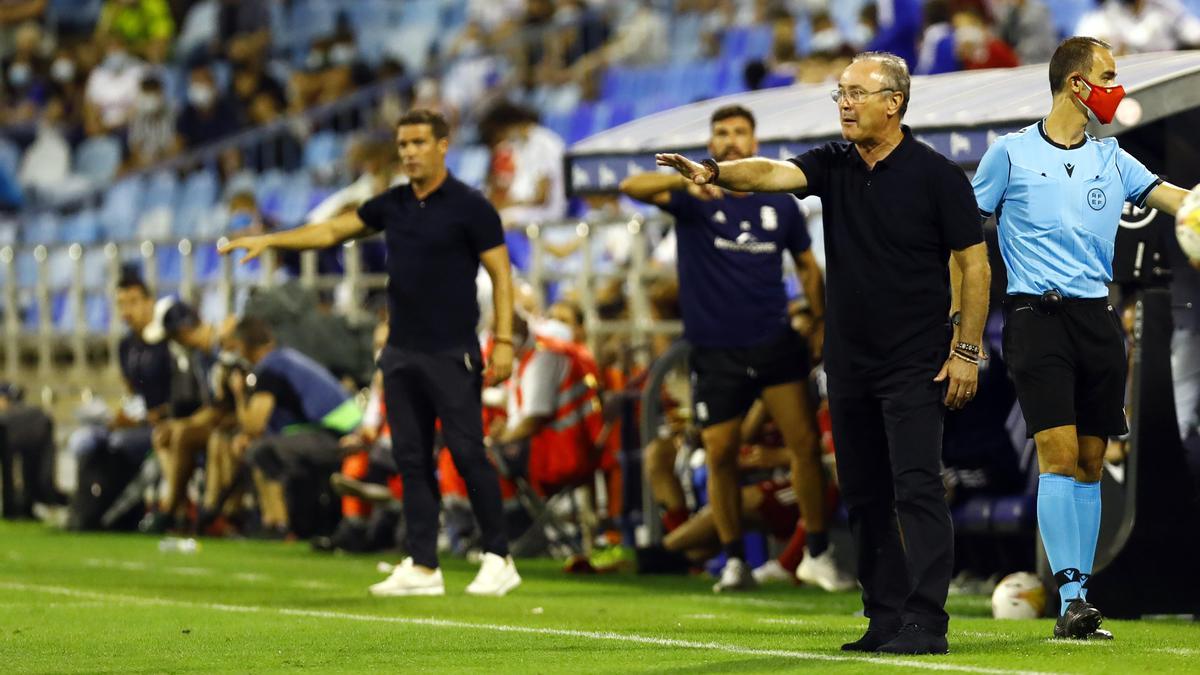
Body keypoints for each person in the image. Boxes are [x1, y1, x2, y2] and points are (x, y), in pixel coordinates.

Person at [656, 52, 991, 655]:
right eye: (839, 93)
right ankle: (884, 616)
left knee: (916, 487)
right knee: (862, 493)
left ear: (894, 102)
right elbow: (770, 174)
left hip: (915, 359)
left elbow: (974, 265)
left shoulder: (938, 176)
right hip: (849, 361)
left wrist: (966, 349)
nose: (844, 103)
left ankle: (928, 622)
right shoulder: (834, 163)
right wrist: (715, 173)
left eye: (856, 93)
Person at [220, 109, 519, 597]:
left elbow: (502, 274)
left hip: (452, 350)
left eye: (419, 142)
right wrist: (273, 240)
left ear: (443, 145)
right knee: (411, 459)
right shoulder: (394, 204)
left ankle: (499, 556)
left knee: (467, 452)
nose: (409, 152)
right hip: (400, 351)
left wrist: (503, 341)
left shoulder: (470, 206)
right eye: (403, 145)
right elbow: (331, 232)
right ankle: (424, 565)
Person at [971, 36, 1195, 641]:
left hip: (1098, 319)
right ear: (1077, 83)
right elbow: (966, 232)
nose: (1115, 87)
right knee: (1059, 455)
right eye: (1109, 75)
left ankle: (1082, 599)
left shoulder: (1113, 158)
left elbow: (1174, 200)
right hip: (1035, 319)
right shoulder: (1009, 154)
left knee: (1093, 462)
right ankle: (1070, 595)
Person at [622, 104, 837, 594]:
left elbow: (807, 265)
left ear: (754, 140)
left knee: (803, 444)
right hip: (715, 349)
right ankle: (736, 560)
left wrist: (819, 319)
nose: (731, 140)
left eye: (740, 132)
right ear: (712, 142)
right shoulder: (692, 199)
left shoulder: (780, 202)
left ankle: (818, 554)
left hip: (774, 342)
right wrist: (686, 179)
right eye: (722, 133)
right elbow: (630, 189)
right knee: (719, 452)